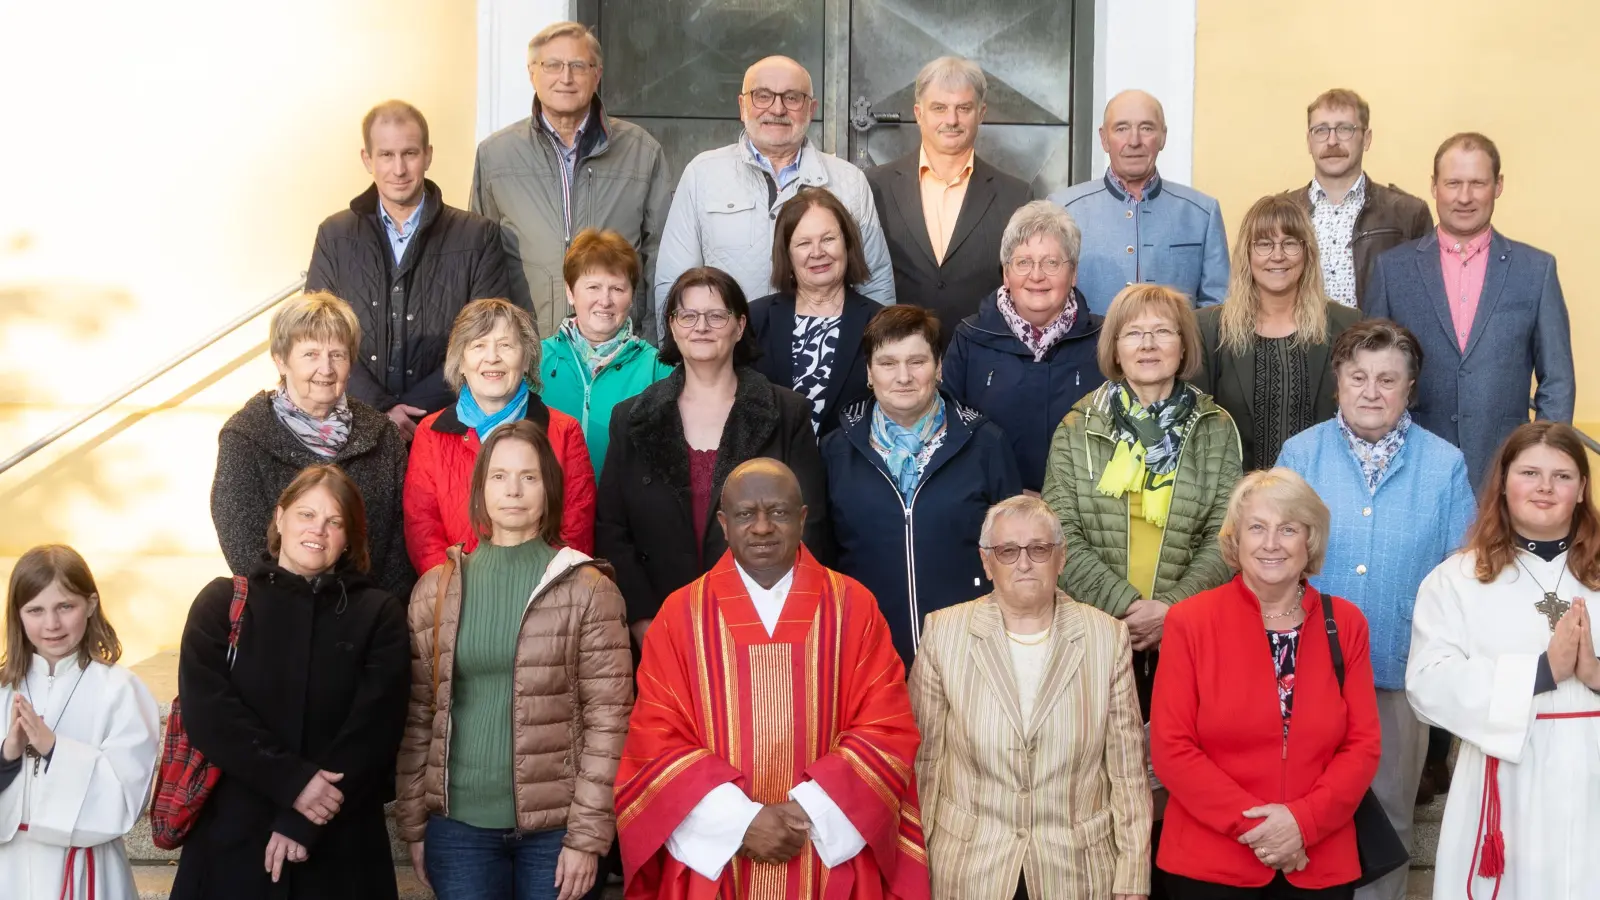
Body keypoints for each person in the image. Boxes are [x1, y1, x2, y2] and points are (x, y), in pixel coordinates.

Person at [613, 458, 928, 900]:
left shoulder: (854, 607)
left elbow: (886, 727)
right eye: (745, 514)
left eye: (778, 512)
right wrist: (739, 823)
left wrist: (809, 811)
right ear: (723, 523)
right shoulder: (680, 616)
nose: (761, 527)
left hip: (826, 853)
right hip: (720, 863)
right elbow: (655, 739)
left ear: (802, 518)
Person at [1275, 319, 1474, 900]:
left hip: (1398, 670)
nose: (1370, 391)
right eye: (1357, 376)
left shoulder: (1445, 465)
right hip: (1305, 670)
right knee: (1303, 810)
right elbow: (1270, 556)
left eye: (1387, 380)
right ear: (1337, 381)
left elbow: (1459, 572)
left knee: (1390, 814)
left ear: (1409, 389)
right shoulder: (1300, 453)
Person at [396, 420, 632, 900]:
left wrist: (587, 838)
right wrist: (414, 823)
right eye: (499, 476)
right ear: (480, 489)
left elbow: (610, 722)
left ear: (549, 489)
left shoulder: (589, 590)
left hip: (556, 832)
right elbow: (419, 716)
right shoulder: (436, 589)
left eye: (529, 477)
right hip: (458, 830)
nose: (513, 490)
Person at [174, 465, 411, 899]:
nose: (317, 530)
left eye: (334, 521)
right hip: (234, 840)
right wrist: (294, 782)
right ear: (280, 518)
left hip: (341, 846)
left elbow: (375, 729)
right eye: (306, 514)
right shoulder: (223, 602)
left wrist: (305, 819)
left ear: (349, 538)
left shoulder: (379, 614)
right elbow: (209, 713)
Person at [1151, 468, 1382, 900]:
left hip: (1318, 861)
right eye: (1257, 528)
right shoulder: (1190, 622)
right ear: (1236, 540)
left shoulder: (1345, 624)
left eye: (1288, 529)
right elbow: (1172, 749)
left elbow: (1362, 745)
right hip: (1211, 865)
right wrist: (1266, 833)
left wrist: (1302, 824)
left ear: (1309, 541)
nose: (1271, 543)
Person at [909, 495, 1151, 900]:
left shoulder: (1106, 637)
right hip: (970, 870)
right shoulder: (943, 633)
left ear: (1061, 558)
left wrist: (1133, 878)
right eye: (1008, 551)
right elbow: (924, 763)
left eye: (1039, 549)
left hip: (1076, 872)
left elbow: (1127, 773)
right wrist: (915, 865)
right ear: (987, 562)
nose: (1024, 563)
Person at [1407, 421, 1600, 900]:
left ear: (1581, 491)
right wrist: (1541, 672)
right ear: (1503, 483)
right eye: (1529, 472)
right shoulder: (1458, 578)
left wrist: (1595, 673)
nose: (1544, 487)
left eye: (1562, 476)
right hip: (1505, 780)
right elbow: (1427, 685)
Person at [597, 267, 831, 640]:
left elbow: (810, 527)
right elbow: (612, 530)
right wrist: (644, 624)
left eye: (716, 315)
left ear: (739, 326)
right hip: (660, 630)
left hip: (765, 625)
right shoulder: (630, 418)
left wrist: (779, 617)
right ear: (672, 326)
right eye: (687, 315)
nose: (700, 326)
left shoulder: (787, 413)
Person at [1365, 132, 1574, 491]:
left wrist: (1540, 459)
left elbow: (1557, 380)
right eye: (1453, 183)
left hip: (1505, 470)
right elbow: (1369, 370)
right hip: (1409, 469)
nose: (1464, 197)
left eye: (1477, 183)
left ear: (1498, 186)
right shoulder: (1392, 269)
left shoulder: (1536, 270)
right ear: (1434, 187)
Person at [821, 305, 1022, 664]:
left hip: (971, 653)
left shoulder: (985, 443)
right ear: (869, 372)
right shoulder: (835, 451)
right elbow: (825, 561)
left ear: (939, 367)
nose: (903, 377)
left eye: (917, 361)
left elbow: (1013, 552)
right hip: (868, 656)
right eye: (887, 363)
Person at [307, 99, 509, 437]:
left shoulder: (477, 236)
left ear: (428, 155)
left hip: (447, 426)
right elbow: (316, 333)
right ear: (367, 159)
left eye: (410, 153)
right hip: (352, 427)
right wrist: (380, 407)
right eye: (386, 155)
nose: (398, 169)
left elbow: (487, 337)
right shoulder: (335, 235)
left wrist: (413, 412)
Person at [653, 55, 896, 332]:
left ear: (811, 108)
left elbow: (875, 281)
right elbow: (674, 282)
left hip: (823, 357)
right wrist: (677, 367)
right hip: (726, 357)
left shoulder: (848, 180)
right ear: (742, 105)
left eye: (792, 97)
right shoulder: (703, 174)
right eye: (763, 96)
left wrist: (881, 359)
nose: (777, 108)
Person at [472, 21, 671, 340]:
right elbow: (481, 259)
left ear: (597, 73)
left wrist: (649, 340)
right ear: (531, 72)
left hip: (620, 348)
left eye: (578, 66)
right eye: (552, 65)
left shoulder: (641, 152)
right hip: (527, 346)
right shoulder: (495, 156)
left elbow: (660, 255)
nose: (565, 78)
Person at [211, 291, 413, 598]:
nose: (326, 368)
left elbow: (398, 544)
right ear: (281, 361)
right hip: (278, 615)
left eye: (337, 355)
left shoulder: (382, 435)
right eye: (311, 354)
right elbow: (243, 546)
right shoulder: (245, 437)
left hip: (366, 618)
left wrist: (373, 612)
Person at [0, 545, 160, 900]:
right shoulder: (3, 691)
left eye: (65, 607)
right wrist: (7, 757)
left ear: (89, 605)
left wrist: (54, 749)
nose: (51, 624)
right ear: (18, 615)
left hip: (85, 868)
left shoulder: (121, 691)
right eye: (35, 610)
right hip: (6, 869)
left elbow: (125, 800)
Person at [404, 298, 597, 573]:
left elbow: (575, 530)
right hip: (456, 600)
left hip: (542, 599)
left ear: (527, 358)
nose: (492, 357)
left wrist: (536, 593)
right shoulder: (430, 433)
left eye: (505, 345)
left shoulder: (565, 431)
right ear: (460, 361)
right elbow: (422, 529)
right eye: (478, 345)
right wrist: (457, 591)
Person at [865, 56, 1033, 342]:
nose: (951, 120)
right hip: (898, 356)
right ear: (919, 114)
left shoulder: (1016, 195)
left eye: (963, 108)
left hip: (983, 356)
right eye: (939, 108)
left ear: (981, 113)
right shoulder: (874, 186)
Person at [943, 200, 1106, 492]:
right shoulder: (969, 338)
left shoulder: (1104, 339)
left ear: (1074, 273)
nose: (1036, 275)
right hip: (993, 514)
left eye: (1051, 262)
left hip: (1084, 516)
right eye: (1023, 262)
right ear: (1006, 273)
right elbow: (949, 438)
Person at [1194, 196, 1362, 471]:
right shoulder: (1209, 329)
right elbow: (1199, 433)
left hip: (1320, 500)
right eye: (1264, 244)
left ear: (1307, 252)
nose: (1278, 255)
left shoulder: (1345, 325)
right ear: (1246, 253)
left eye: (1290, 243)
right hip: (1237, 501)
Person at [1049, 90, 1228, 313]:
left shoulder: (1202, 213)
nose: (1134, 141)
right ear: (1104, 139)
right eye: (1122, 128)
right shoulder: (1062, 210)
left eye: (1146, 128)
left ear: (1163, 137)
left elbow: (1216, 309)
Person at [1276, 89, 1431, 310]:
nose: (1331, 141)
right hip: (1299, 344)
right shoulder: (1281, 212)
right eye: (1321, 130)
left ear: (1366, 139)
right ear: (1309, 142)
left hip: (1377, 342)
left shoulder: (1407, 213)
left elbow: (1424, 301)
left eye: (1344, 129)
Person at [539, 229, 673, 475]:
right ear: (570, 292)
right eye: (593, 287)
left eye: (617, 289)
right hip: (551, 508)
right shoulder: (536, 360)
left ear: (632, 296)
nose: (605, 300)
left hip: (623, 512)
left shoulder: (657, 368)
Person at [749, 187, 876, 436]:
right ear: (786, 253)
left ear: (847, 243)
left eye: (828, 239)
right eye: (804, 243)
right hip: (774, 469)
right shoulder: (754, 319)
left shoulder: (879, 322)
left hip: (850, 468)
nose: (817, 252)